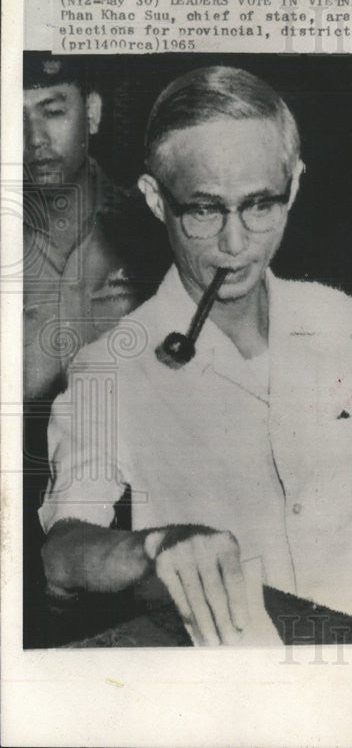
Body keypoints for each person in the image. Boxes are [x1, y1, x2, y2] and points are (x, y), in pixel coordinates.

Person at [39, 65, 352, 645]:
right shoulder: (110, 367)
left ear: (296, 186)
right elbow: (60, 556)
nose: (235, 245)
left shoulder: (337, 319)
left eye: (260, 205)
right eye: (205, 210)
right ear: (157, 200)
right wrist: (154, 546)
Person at [22, 54, 169, 647]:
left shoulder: (153, 226)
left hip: (127, 520)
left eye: (53, 111)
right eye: (14, 117)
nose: (34, 140)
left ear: (94, 112)